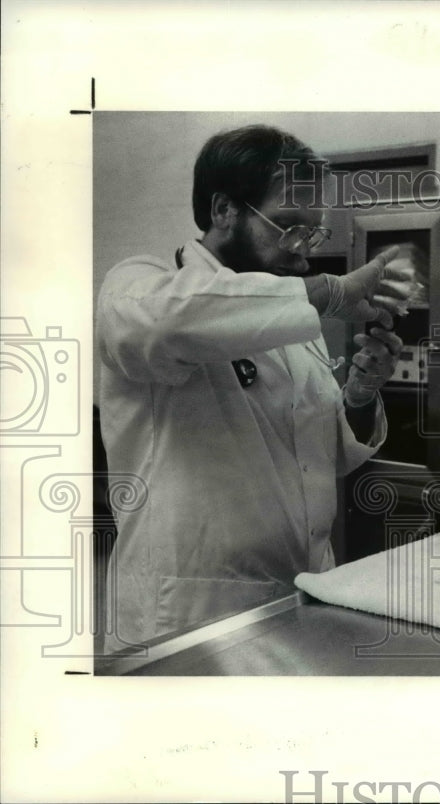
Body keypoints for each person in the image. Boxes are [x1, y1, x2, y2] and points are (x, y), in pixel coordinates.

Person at [97, 125, 415, 648]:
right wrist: (329, 290)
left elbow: (321, 459)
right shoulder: (139, 285)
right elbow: (167, 322)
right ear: (224, 209)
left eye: (312, 231)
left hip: (300, 591)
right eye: (288, 224)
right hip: (191, 610)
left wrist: (358, 397)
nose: (303, 248)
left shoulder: (285, 319)